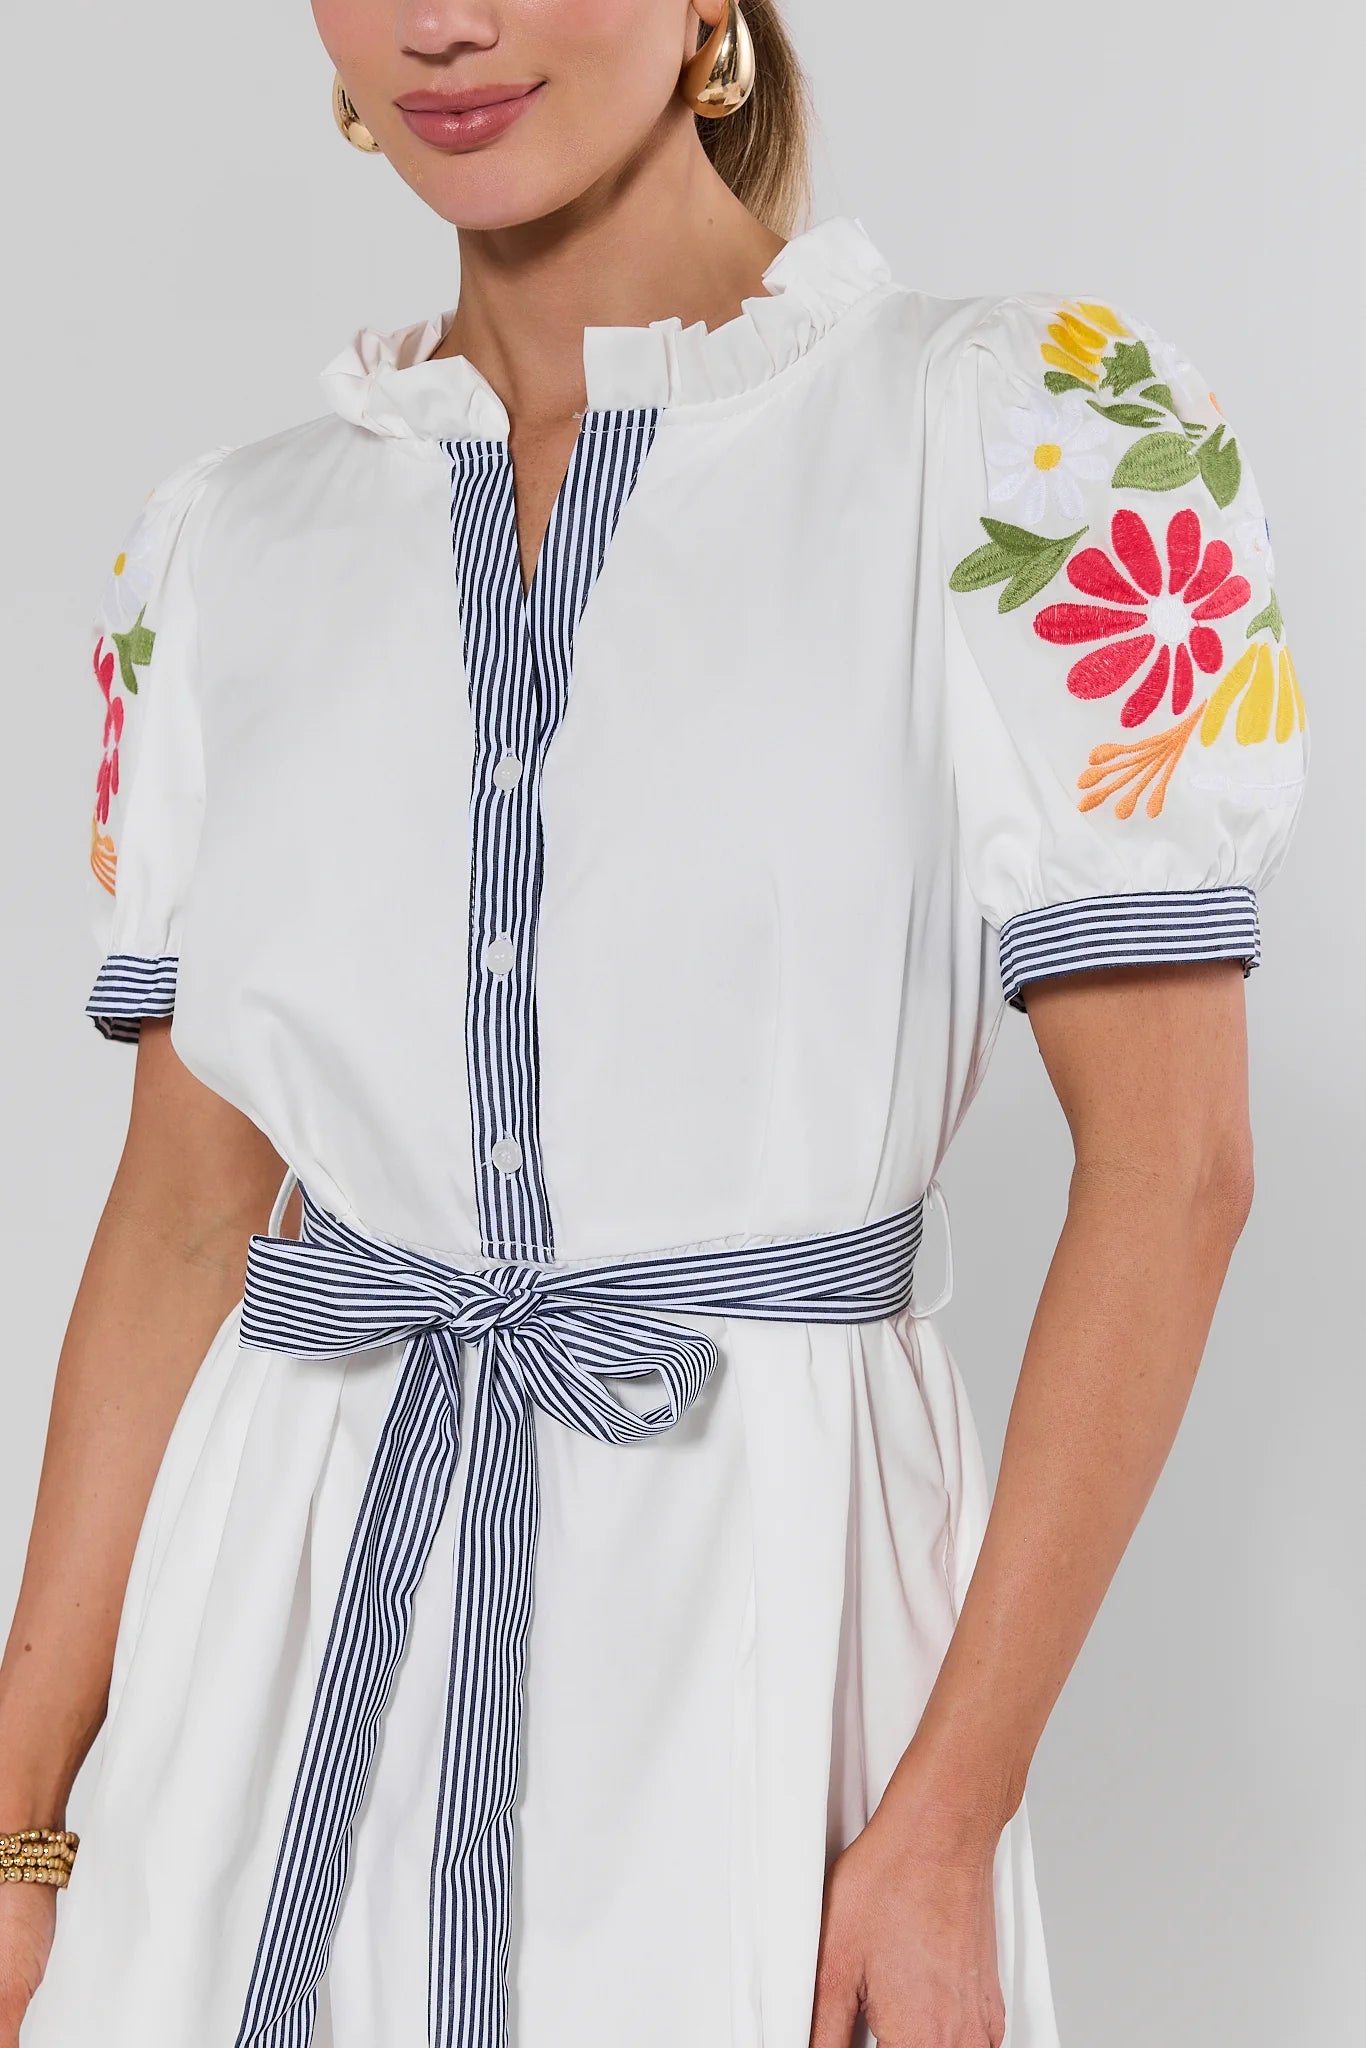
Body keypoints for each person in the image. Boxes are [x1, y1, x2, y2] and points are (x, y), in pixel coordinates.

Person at [0, 2, 1309, 2044]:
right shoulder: (224, 543)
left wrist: (941, 1818)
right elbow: (181, 1219)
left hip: (757, 1648)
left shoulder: (1017, 432)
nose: (446, 18)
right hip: (266, 1656)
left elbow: (1174, 1170)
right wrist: (18, 1819)